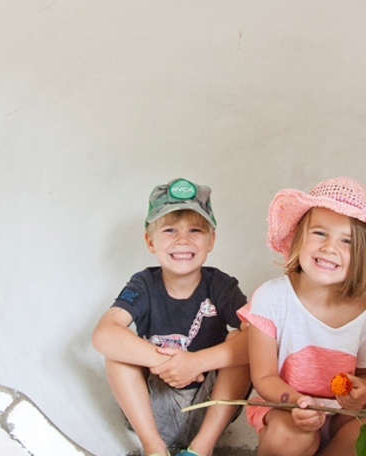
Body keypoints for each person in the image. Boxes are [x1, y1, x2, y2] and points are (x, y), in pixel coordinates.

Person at [238, 177, 366, 456]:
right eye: (320, 233)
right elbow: (264, 377)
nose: (330, 248)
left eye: (347, 241)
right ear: (298, 237)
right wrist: (297, 403)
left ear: (361, 257)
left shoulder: (364, 312)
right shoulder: (271, 298)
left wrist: (361, 389)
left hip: (337, 414)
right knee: (290, 437)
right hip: (285, 408)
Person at [92, 178, 252, 456]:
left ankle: (200, 449)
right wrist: (166, 362)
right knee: (117, 348)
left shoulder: (221, 286)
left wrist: (195, 363)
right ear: (149, 241)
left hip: (210, 406)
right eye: (169, 230)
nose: (182, 240)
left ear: (211, 240)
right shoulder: (143, 285)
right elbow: (104, 334)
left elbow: (260, 337)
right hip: (152, 409)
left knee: (244, 338)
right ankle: (154, 449)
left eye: (195, 230)